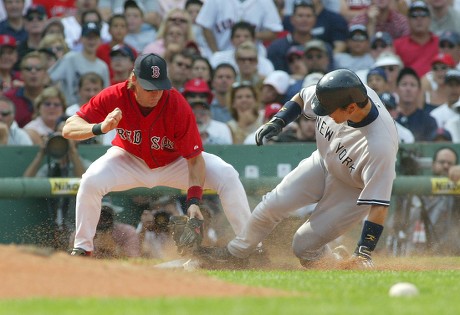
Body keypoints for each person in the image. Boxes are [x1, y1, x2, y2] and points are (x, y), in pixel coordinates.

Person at [197, 69, 399, 269]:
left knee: (303, 247)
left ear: (351, 108)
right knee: (271, 205)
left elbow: (379, 206)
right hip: (323, 162)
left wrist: (363, 252)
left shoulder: (380, 146)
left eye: (328, 109)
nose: (322, 112)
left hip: (351, 191)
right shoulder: (341, 95)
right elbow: (302, 98)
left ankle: (337, 263)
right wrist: (279, 120)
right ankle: (236, 253)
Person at [62, 53, 252, 256]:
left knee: (227, 174)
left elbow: (195, 159)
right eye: (149, 87)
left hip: (174, 162)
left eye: (160, 86)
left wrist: (194, 201)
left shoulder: (176, 104)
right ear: (133, 79)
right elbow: (69, 128)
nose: (155, 93)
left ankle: (251, 246)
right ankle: (82, 248)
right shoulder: (115, 95)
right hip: (128, 159)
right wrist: (99, 127)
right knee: (90, 180)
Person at [48, 22, 110, 106]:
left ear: (100, 40)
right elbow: (49, 79)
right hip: (70, 109)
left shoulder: (103, 66)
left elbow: (106, 95)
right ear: (81, 39)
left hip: (94, 111)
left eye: (94, 38)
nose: (91, 41)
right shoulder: (70, 58)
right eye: (88, 37)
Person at [70, 200, 141, 258]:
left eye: (106, 215)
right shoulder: (82, 232)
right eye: (98, 214)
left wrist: (114, 248)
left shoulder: (127, 232)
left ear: (113, 215)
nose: (102, 219)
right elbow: (74, 260)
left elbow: (133, 258)